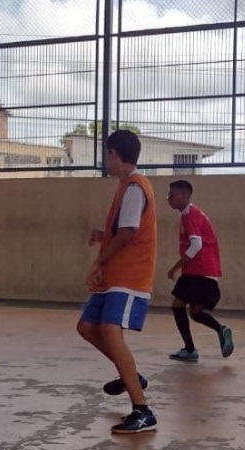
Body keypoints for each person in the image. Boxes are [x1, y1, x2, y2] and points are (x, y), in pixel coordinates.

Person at [76, 130, 157, 434]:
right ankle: (132, 375)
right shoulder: (125, 187)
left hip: (129, 276)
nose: (104, 158)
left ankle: (142, 410)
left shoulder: (136, 186)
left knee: (110, 330)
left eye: (106, 153)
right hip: (115, 276)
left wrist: (99, 261)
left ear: (114, 154)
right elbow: (120, 230)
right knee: (87, 327)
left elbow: (128, 233)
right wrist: (103, 236)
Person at [166, 179, 234, 362]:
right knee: (195, 312)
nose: (169, 198)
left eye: (172, 195)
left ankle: (190, 350)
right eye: (168, 195)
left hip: (198, 271)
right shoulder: (191, 214)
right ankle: (221, 330)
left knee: (178, 305)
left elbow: (196, 245)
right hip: (206, 272)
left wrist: (175, 267)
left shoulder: (190, 215)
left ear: (186, 195)